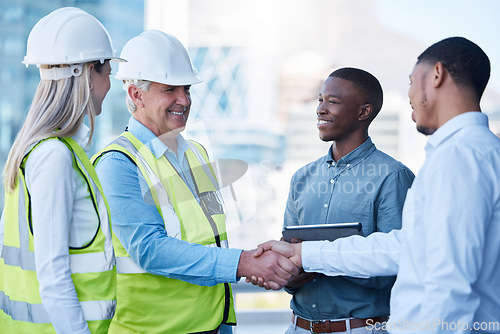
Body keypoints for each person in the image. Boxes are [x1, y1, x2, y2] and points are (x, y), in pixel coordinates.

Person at [254, 37, 500, 334]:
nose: (409, 94)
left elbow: (450, 283)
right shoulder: (468, 152)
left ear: (437, 74)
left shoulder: (461, 156)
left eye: (411, 81)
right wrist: (301, 256)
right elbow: (402, 248)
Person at [92, 30, 298, 334]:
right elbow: (150, 249)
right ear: (136, 95)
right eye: (170, 89)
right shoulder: (118, 163)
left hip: (213, 325)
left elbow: (212, 240)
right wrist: (243, 263)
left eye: (187, 88)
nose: (184, 99)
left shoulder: (197, 154)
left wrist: (250, 265)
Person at [0, 7, 123, 333]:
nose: (110, 84)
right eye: (107, 71)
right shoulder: (53, 156)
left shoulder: (54, 152)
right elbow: (53, 279)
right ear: (86, 73)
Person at [280, 68, 414, 333]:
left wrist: (317, 260)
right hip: (298, 327)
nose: (320, 108)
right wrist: (289, 272)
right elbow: (288, 255)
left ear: (363, 112)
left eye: (333, 101)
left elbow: (398, 266)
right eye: (320, 99)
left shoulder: (393, 177)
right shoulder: (302, 177)